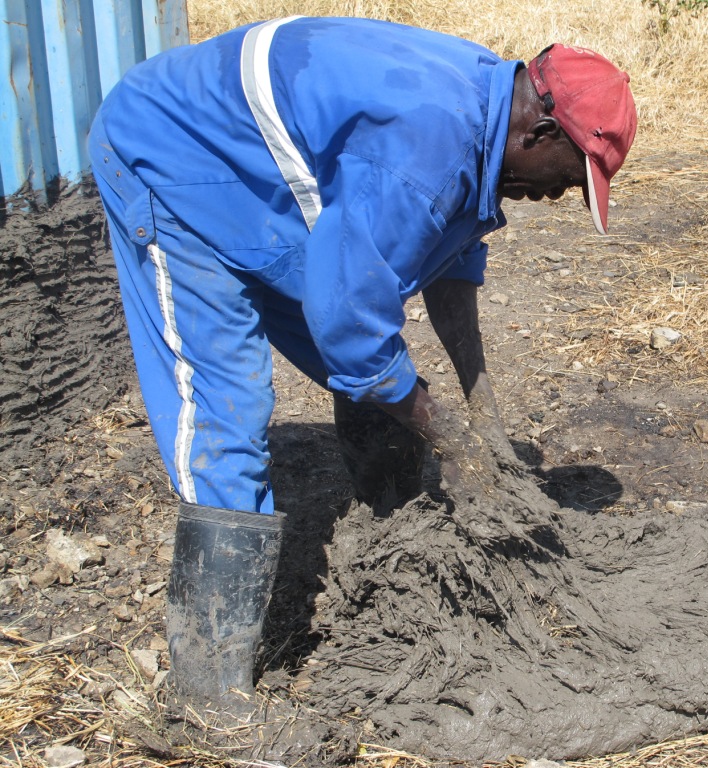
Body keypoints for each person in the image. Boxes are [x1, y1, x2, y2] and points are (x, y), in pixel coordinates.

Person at [88, 15, 637, 711]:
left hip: (260, 185)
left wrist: (481, 413)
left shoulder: (486, 110)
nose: (562, 194)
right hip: (171, 158)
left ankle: (389, 534)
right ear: (540, 132)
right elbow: (354, 328)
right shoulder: (423, 147)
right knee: (230, 404)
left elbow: (448, 267)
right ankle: (208, 700)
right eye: (573, 177)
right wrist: (447, 434)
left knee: (372, 351)